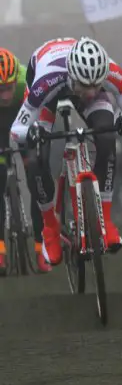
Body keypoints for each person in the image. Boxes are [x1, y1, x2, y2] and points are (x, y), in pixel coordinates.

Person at [10, 37, 122, 265]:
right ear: (73, 75)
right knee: (36, 158)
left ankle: (105, 220)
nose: (92, 92)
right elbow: (17, 129)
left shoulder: (111, 72)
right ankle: (50, 229)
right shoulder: (47, 80)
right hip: (50, 85)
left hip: (77, 76)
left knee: (106, 138)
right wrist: (33, 134)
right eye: (86, 85)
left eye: (98, 84)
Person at [0, 48, 49, 272]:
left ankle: (41, 249)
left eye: (8, 88)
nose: (5, 95)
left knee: (36, 174)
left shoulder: (25, 81)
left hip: (22, 116)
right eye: (0, 90)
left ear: (15, 81)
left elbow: (38, 112)